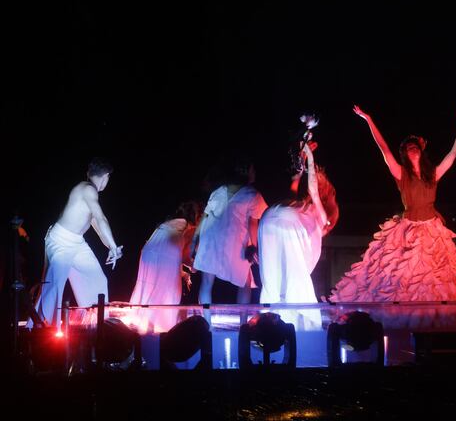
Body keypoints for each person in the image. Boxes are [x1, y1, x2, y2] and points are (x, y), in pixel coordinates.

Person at [330, 104, 456, 302]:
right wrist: (368, 119)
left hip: (431, 231)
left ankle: (431, 317)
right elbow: (384, 148)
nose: (412, 149)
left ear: (421, 152)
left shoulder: (433, 175)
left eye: (415, 147)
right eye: (408, 148)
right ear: (404, 153)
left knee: (431, 279)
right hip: (408, 230)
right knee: (401, 277)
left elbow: (454, 153)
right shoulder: (401, 174)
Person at [34, 158, 122, 328]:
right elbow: (101, 218)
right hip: (61, 239)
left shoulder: (88, 194)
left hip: (77, 243)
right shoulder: (87, 189)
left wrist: (112, 247)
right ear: (105, 176)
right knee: (55, 285)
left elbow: (98, 226)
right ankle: (40, 326)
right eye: (108, 178)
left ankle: (96, 322)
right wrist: (113, 246)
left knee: (98, 279)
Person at [259, 142, 339, 303]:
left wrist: (306, 158)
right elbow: (313, 190)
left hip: (268, 217)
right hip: (281, 219)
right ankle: (281, 304)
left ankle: (272, 303)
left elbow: (310, 189)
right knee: (292, 276)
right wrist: (308, 156)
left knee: (275, 272)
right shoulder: (315, 216)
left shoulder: (316, 216)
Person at [192, 157, 267, 304]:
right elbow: (253, 223)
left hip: (210, 240)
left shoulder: (219, 190)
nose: (255, 172)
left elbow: (205, 216)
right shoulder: (253, 195)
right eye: (252, 169)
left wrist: (195, 238)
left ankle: (206, 323)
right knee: (245, 282)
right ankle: (243, 324)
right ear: (246, 172)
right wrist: (255, 247)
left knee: (206, 283)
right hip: (234, 242)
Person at [129, 201, 201, 332]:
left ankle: (143, 324)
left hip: (148, 252)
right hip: (164, 254)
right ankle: (159, 326)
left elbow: (172, 250)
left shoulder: (173, 222)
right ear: (196, 216)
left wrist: (184, 273)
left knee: (149, 286)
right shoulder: (189, 227)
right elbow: (182, 254)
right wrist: (194, 267)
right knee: (168, 289)